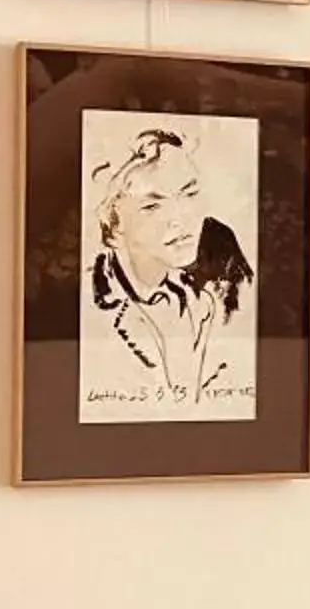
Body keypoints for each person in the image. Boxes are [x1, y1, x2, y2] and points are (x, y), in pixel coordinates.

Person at [87, 127, 254, 412]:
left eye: (189, 194)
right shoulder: (87, 308)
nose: (181, 218)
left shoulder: (203, 303)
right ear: (114, 227)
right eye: (152, 205)